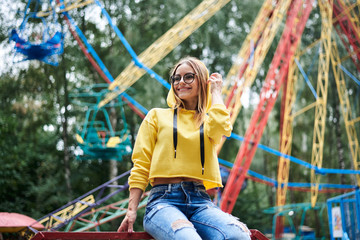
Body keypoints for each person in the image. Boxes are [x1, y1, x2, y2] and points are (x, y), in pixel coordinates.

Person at [118, 57, 251, 240]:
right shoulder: (156, 116)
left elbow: (222, 126)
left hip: (200, 201)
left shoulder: (208, 121)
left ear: (202, 82)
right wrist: (131, 210)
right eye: (176, 78)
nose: (181, 82)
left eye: (189, 77)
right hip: (163, 201)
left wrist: (216, 92)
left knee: (239, 235)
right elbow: (141, 165)